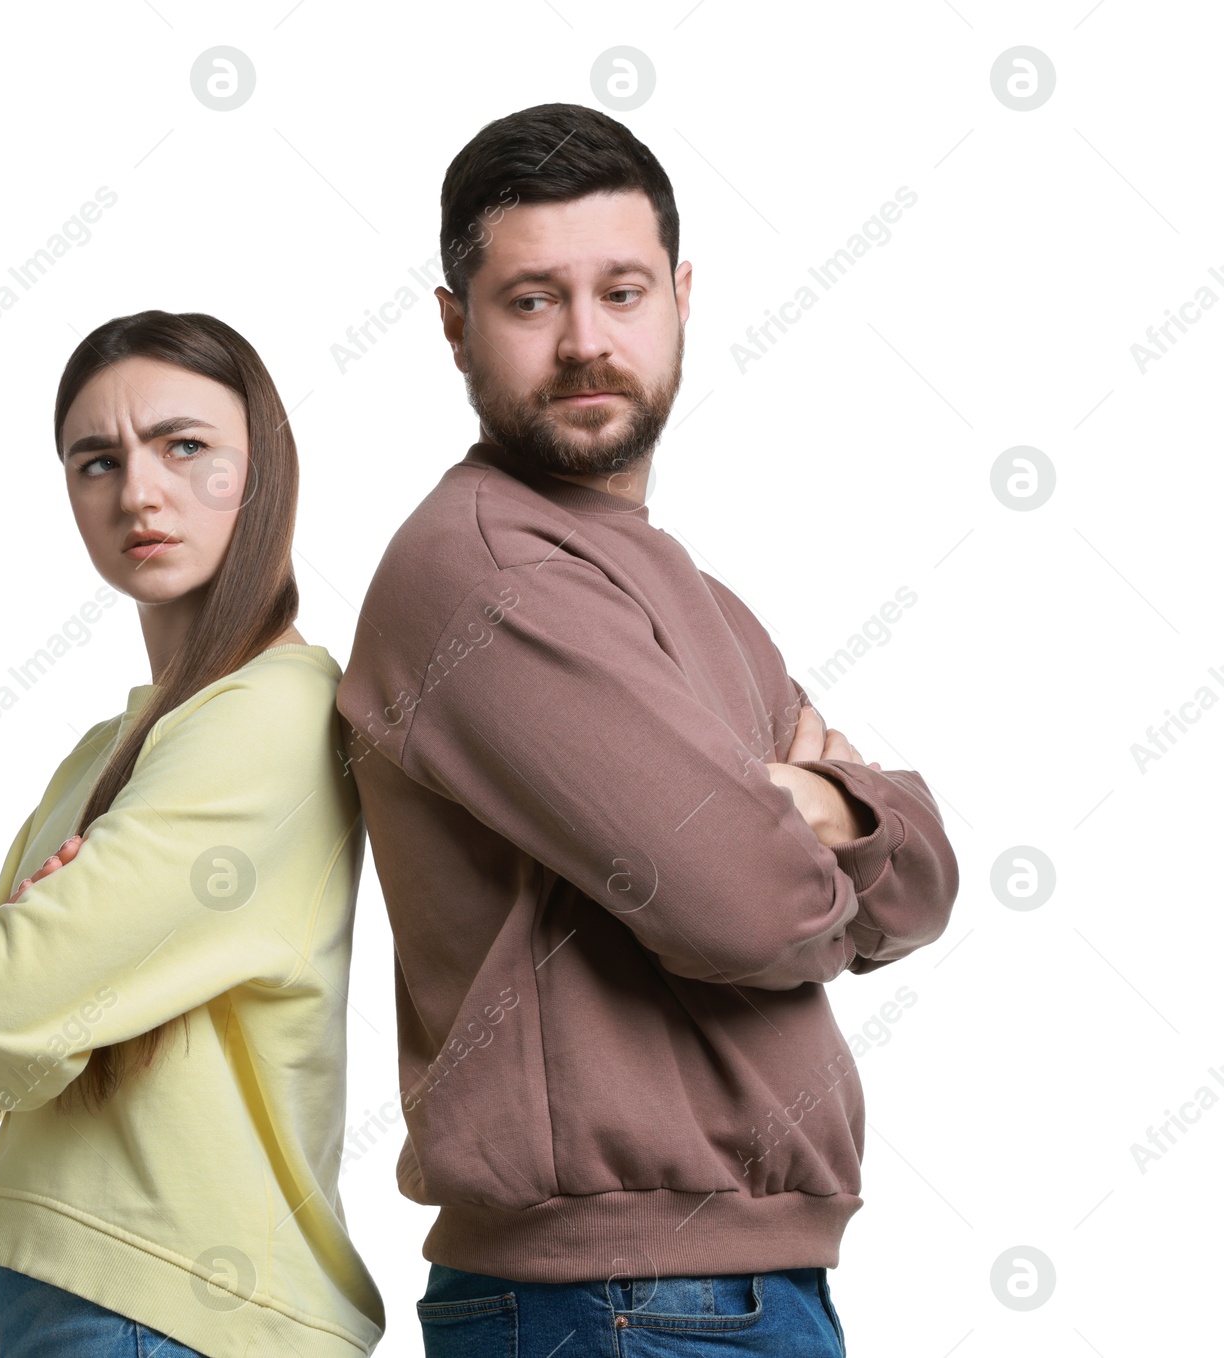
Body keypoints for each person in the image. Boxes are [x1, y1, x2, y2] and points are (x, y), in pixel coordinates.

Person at [335, 103, 960, 1356]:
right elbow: (747, 903)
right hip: (614, 1301)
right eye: (529, 302)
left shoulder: (685, 592)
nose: (584, 343)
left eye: (620, 291)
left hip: (718, 1290)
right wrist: (786, 799)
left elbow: (927, 885)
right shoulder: (489, 574)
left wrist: (824, 804)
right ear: (454, 323)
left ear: (679, 296)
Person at [0, 310, 385, 1358]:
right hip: (90, 1292)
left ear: (267, 467)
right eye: (96, 461)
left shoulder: (272, 716)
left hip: (169, 1302)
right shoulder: (121, 740)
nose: (138, 494)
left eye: (184, 446)